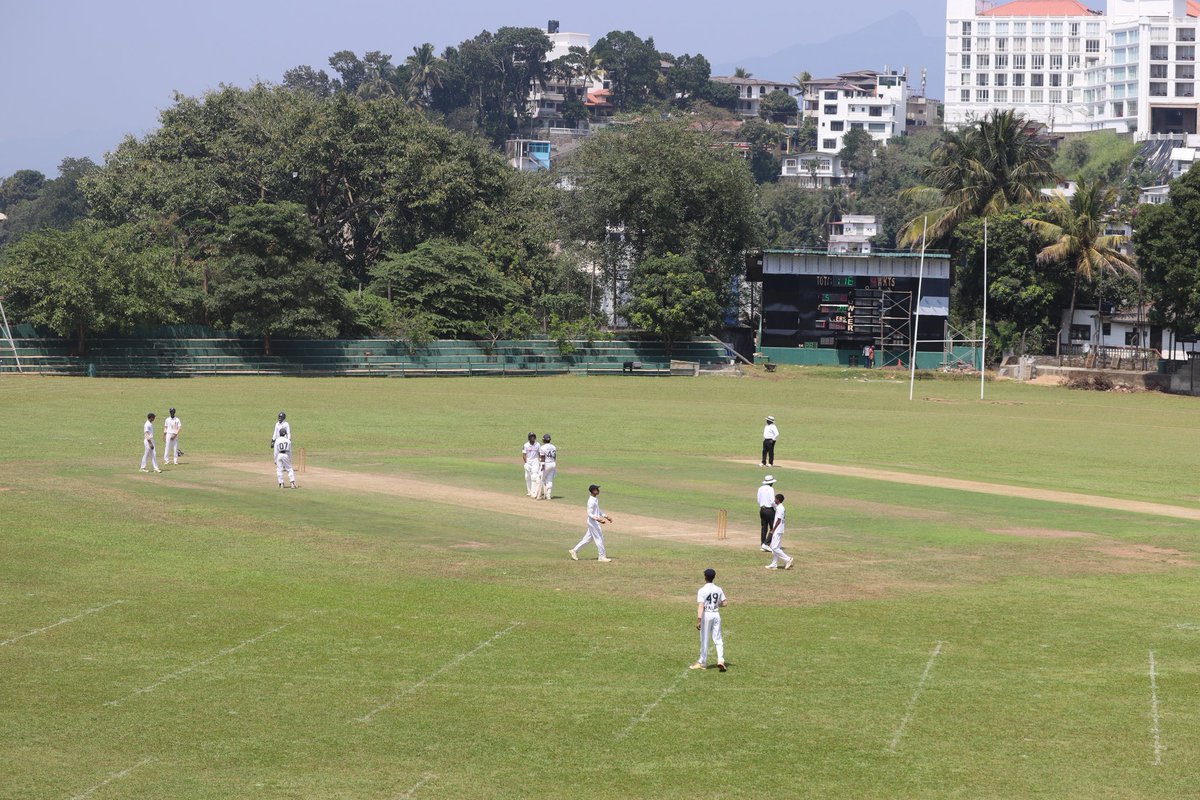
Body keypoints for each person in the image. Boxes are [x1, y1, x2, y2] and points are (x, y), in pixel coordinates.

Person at [691, 567, 727, 671]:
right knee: (718, 638)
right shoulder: (718, 589)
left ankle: (702, 662)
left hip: (706, 615)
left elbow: (701, 606)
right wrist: (716, 604)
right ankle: (721, 660)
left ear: (705, 577)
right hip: (716, 614)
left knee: (704, 639)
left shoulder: (702, 590)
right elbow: (725, 603)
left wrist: (698, 620)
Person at [569, 484, 612, 562]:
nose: (599, 490)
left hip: (594, 522)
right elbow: (590, 513)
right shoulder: (591, 501)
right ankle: (601, 557)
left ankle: (574, 551)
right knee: (599, 538)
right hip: (593, 522)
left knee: (587, 539)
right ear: (593, 491)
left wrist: (606, 516)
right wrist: (598, 519)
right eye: (597, 489)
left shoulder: (595, 499)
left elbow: (597, 510)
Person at [765, 492, 794, 570]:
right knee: (776, 547)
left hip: (778, 530)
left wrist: (773, 530)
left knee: (774, 548)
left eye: (775, 499)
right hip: (778, 530)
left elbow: (779, 520)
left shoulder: (780, 508)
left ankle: (788, 559)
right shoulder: (779, 507)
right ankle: (774, 564)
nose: (774, 500)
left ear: (778, 500)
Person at [757, 475, 777, 553]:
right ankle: (766, 544)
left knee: (764, 527)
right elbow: (772, 501)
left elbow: (758, 500)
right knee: (773, 528)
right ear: (771, 483)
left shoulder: (760, 488)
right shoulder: (771, 489)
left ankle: (762, 544)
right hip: (769, 510)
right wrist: (776, 508)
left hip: (762, 509)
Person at [274, 422, 298, 489]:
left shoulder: (277, 440)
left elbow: (275, 451)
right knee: (289, 469)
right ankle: (292, 483)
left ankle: (281, 483)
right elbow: (290, 451)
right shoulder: (288, 441)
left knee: (279, 469)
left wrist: (275, 459)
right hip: (285, 454)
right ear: (285, 434)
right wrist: (290, 459)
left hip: (279, 455)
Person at [536, 433, 557, 500]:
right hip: (553, 464)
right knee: (549, 480)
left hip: (546, 464)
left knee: (540, 478)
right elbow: (555, 456)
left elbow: (542, 457)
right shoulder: (553, 447)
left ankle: (538, 495)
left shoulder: (542, 447)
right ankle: (548, 495)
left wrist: (542, 465)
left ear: (543, 440)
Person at [522, 432, 540, 498]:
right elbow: (524, 455)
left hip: (535, 461)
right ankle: (529, 492)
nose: (532, 438)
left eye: (533, 436)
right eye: (531, 436)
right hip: (528, 461)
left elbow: (539, 453)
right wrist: (526, 462)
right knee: (527, 476)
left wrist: (540, 461)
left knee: (534, 476)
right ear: (529, 438)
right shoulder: (526, 445)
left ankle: (534, 492)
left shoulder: (538, 444)